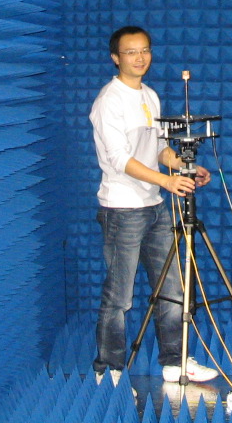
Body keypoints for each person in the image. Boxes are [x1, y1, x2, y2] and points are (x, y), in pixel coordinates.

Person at [90, 25, 219, 386]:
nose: (140, 57)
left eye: (145, 50)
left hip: (155, 205)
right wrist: (166, 181)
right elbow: (119, 159)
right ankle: (109, 370)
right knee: (120, 296)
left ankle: (175, 362)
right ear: (116, 57)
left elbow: (159, 148)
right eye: (131, 52)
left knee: (174, 290)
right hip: (122, 209)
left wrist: (181, 166)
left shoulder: (150, 96)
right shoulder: (108, 102)